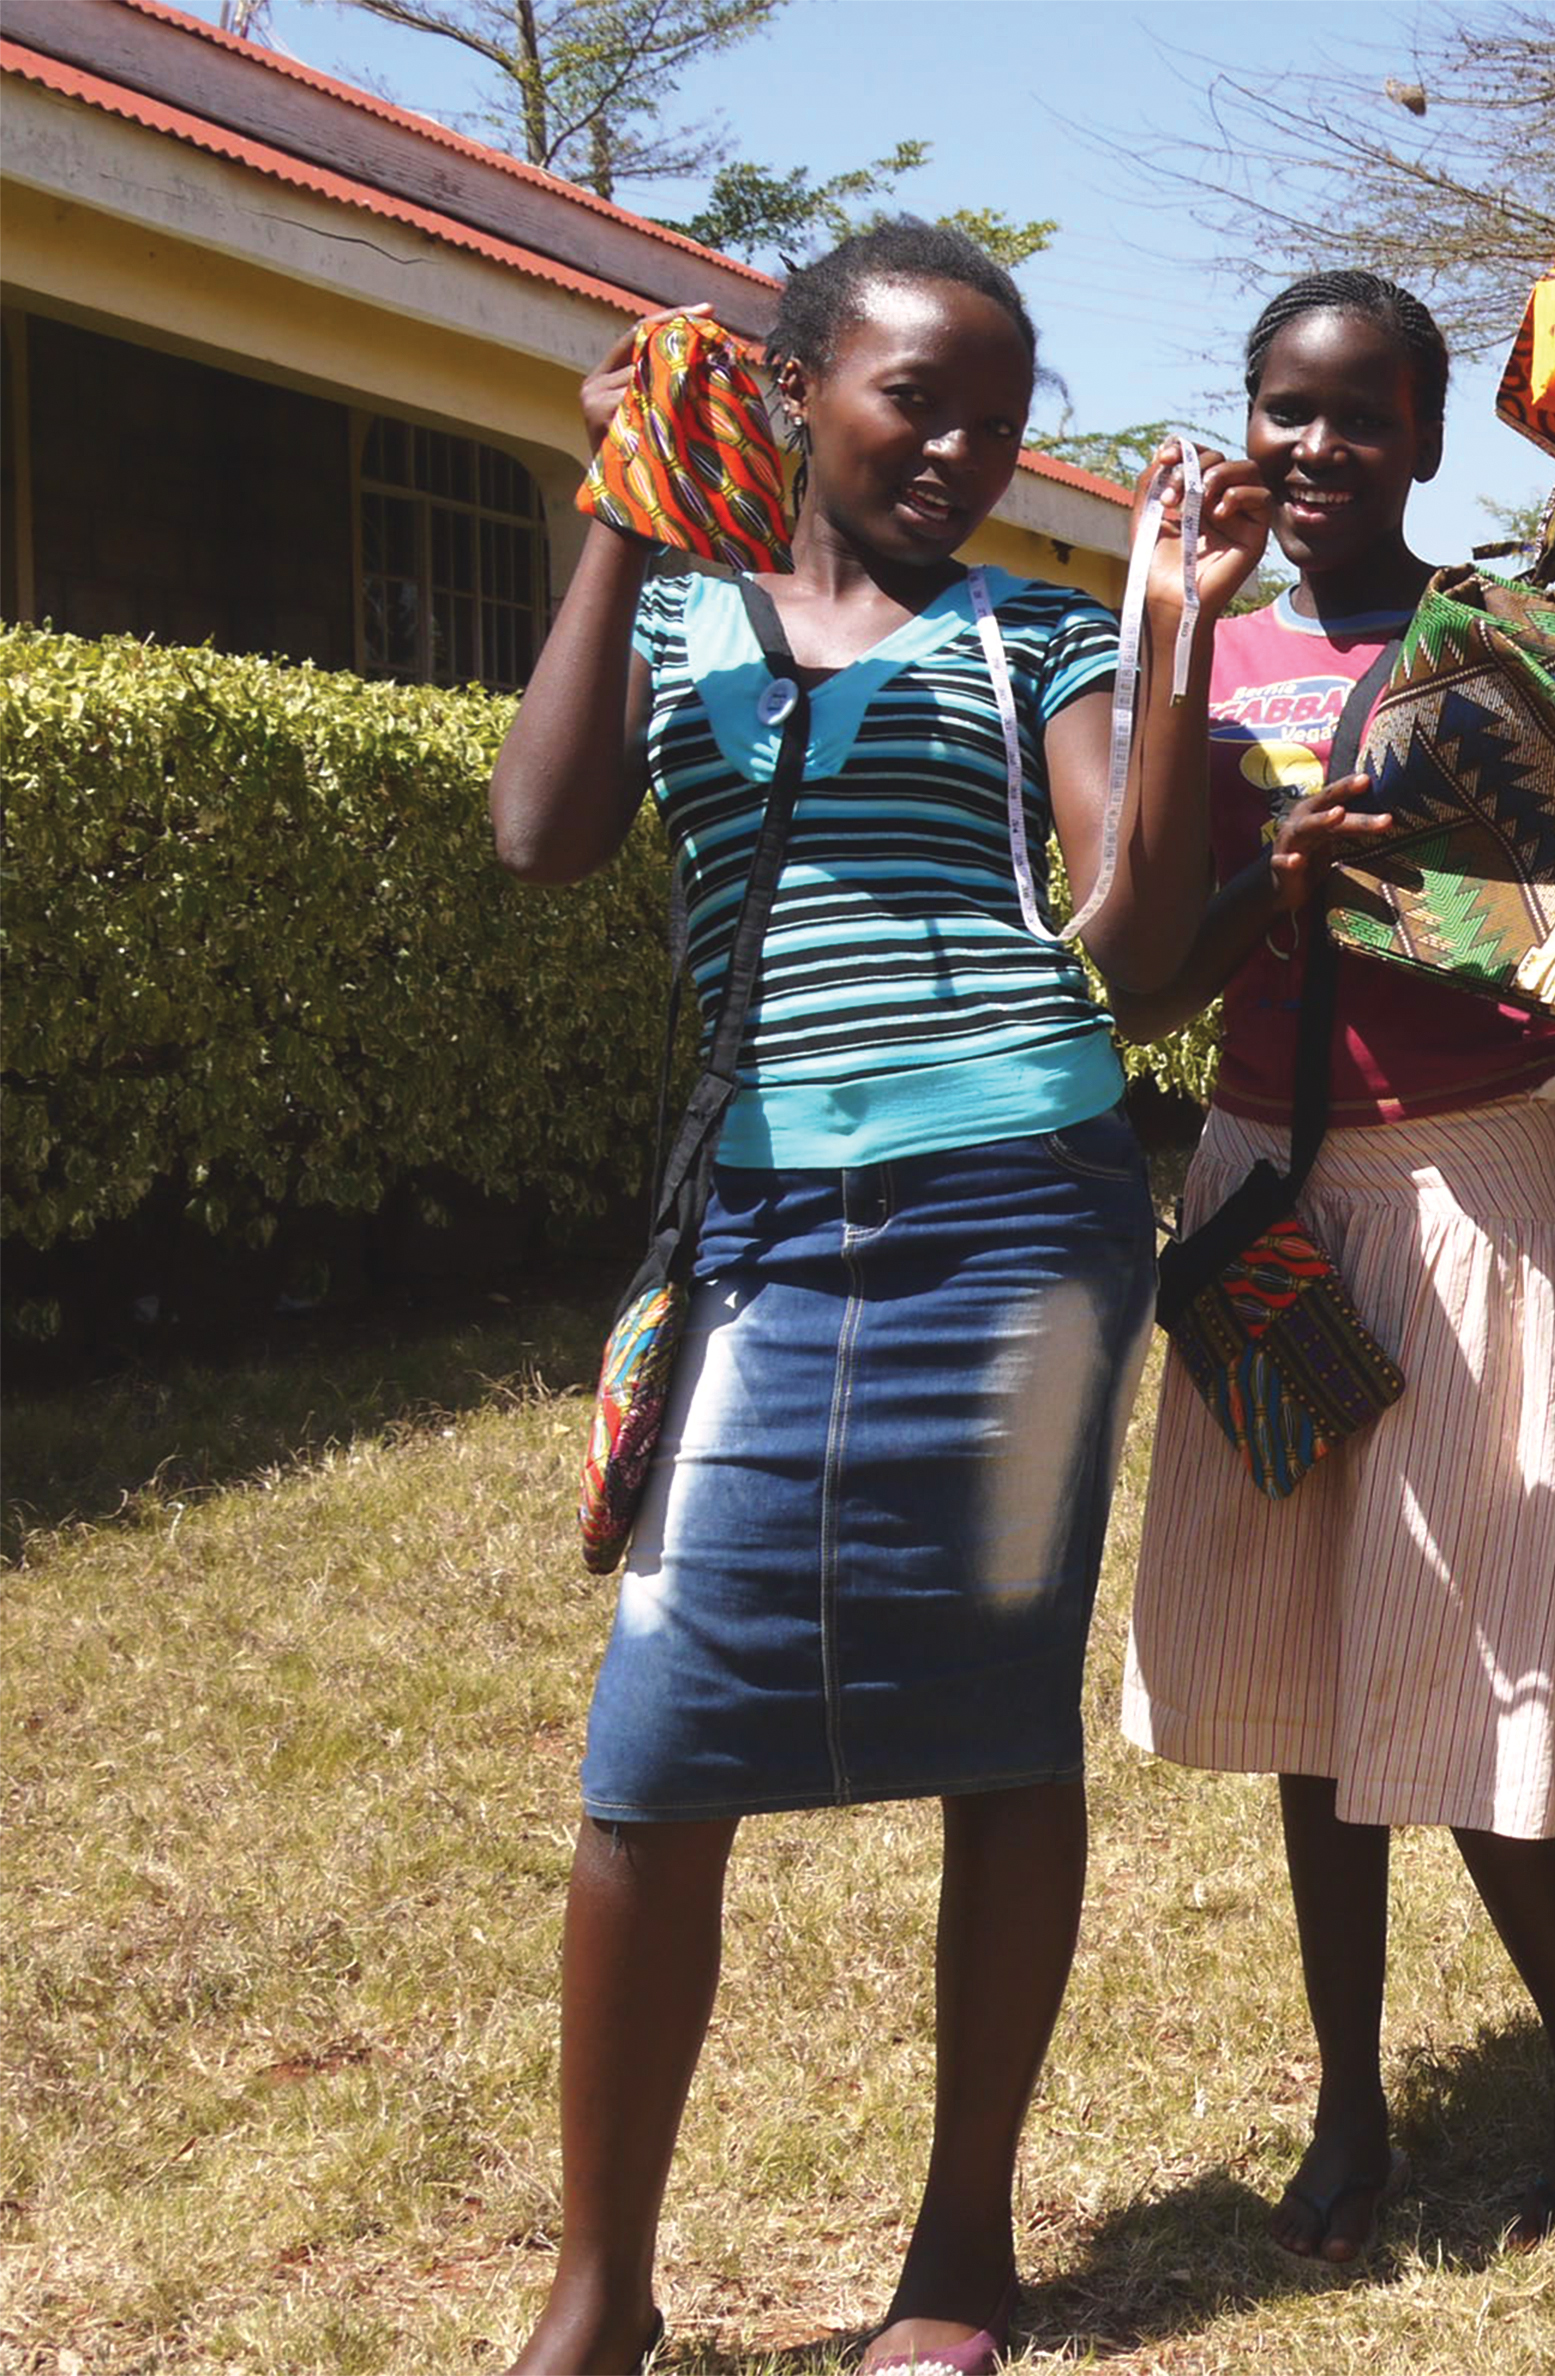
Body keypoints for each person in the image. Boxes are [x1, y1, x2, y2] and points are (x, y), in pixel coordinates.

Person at [482, 220, 1239, 2376]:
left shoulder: (1044, 639)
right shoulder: (675, 621)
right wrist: (625, 532)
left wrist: (1172, 644)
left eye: (999, 412)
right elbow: (543, 836)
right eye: (917, 395)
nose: (962, 445)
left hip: (1020, 1224)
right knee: (657, 1746)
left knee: (999, 1718)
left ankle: (962, 2253)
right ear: (801, 381)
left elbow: (1128, 933)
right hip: (760, 1230)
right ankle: (600, 2286)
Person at [1107, 270, 1555, 2269]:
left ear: (1429, 438)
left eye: (1363, 416)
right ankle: (1351, 2107)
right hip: (1269, 1183)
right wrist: (1193, 694)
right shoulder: (1197, 646)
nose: (1318, 446)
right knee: (1301, 1664)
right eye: (1286, 408)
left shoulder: (1520, 647)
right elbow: (1142, 958)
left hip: (1474, 1180)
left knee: (1470, 1646)